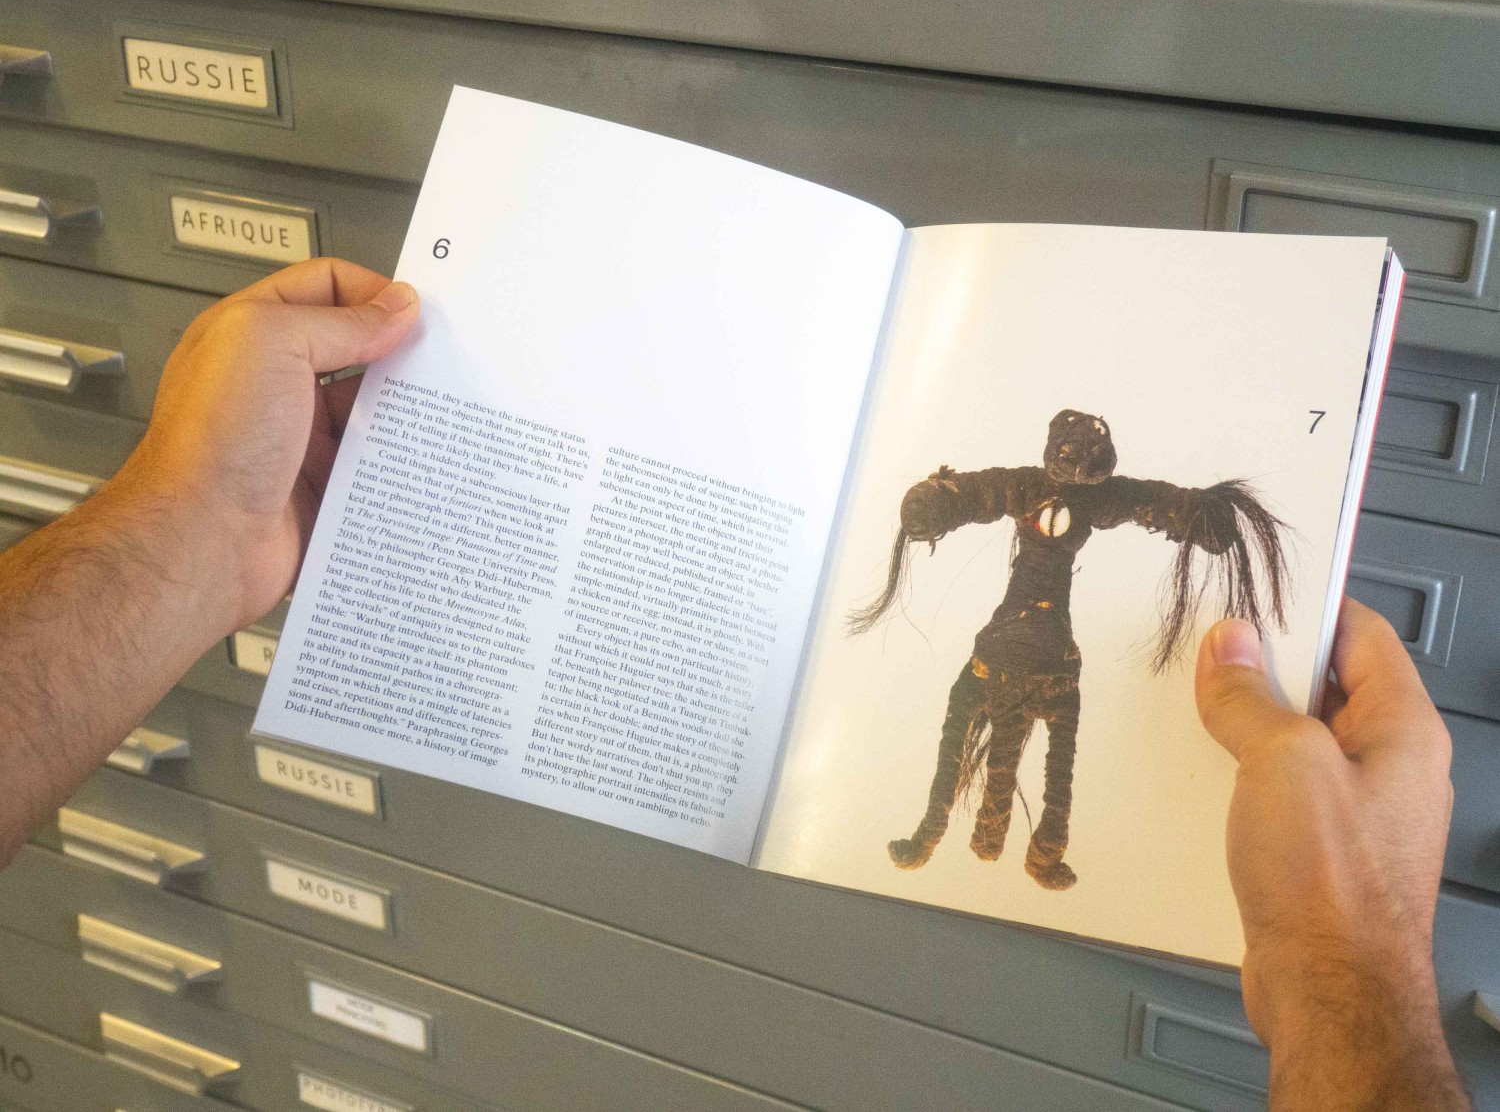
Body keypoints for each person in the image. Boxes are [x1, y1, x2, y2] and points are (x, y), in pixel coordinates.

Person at [0, 259, 1471, 1111]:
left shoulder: (1098, 496)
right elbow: (957, 493)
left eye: (1085, 458)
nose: (1075, 468)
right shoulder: (1020, 480)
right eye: (1069, 453)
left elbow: (1164, 504)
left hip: (1062, 654)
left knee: (1054, 748)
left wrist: (1203, 513)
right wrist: (1346, 957)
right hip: (996, 644)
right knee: (965, 726)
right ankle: (948, 821)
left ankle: (1036, 838)